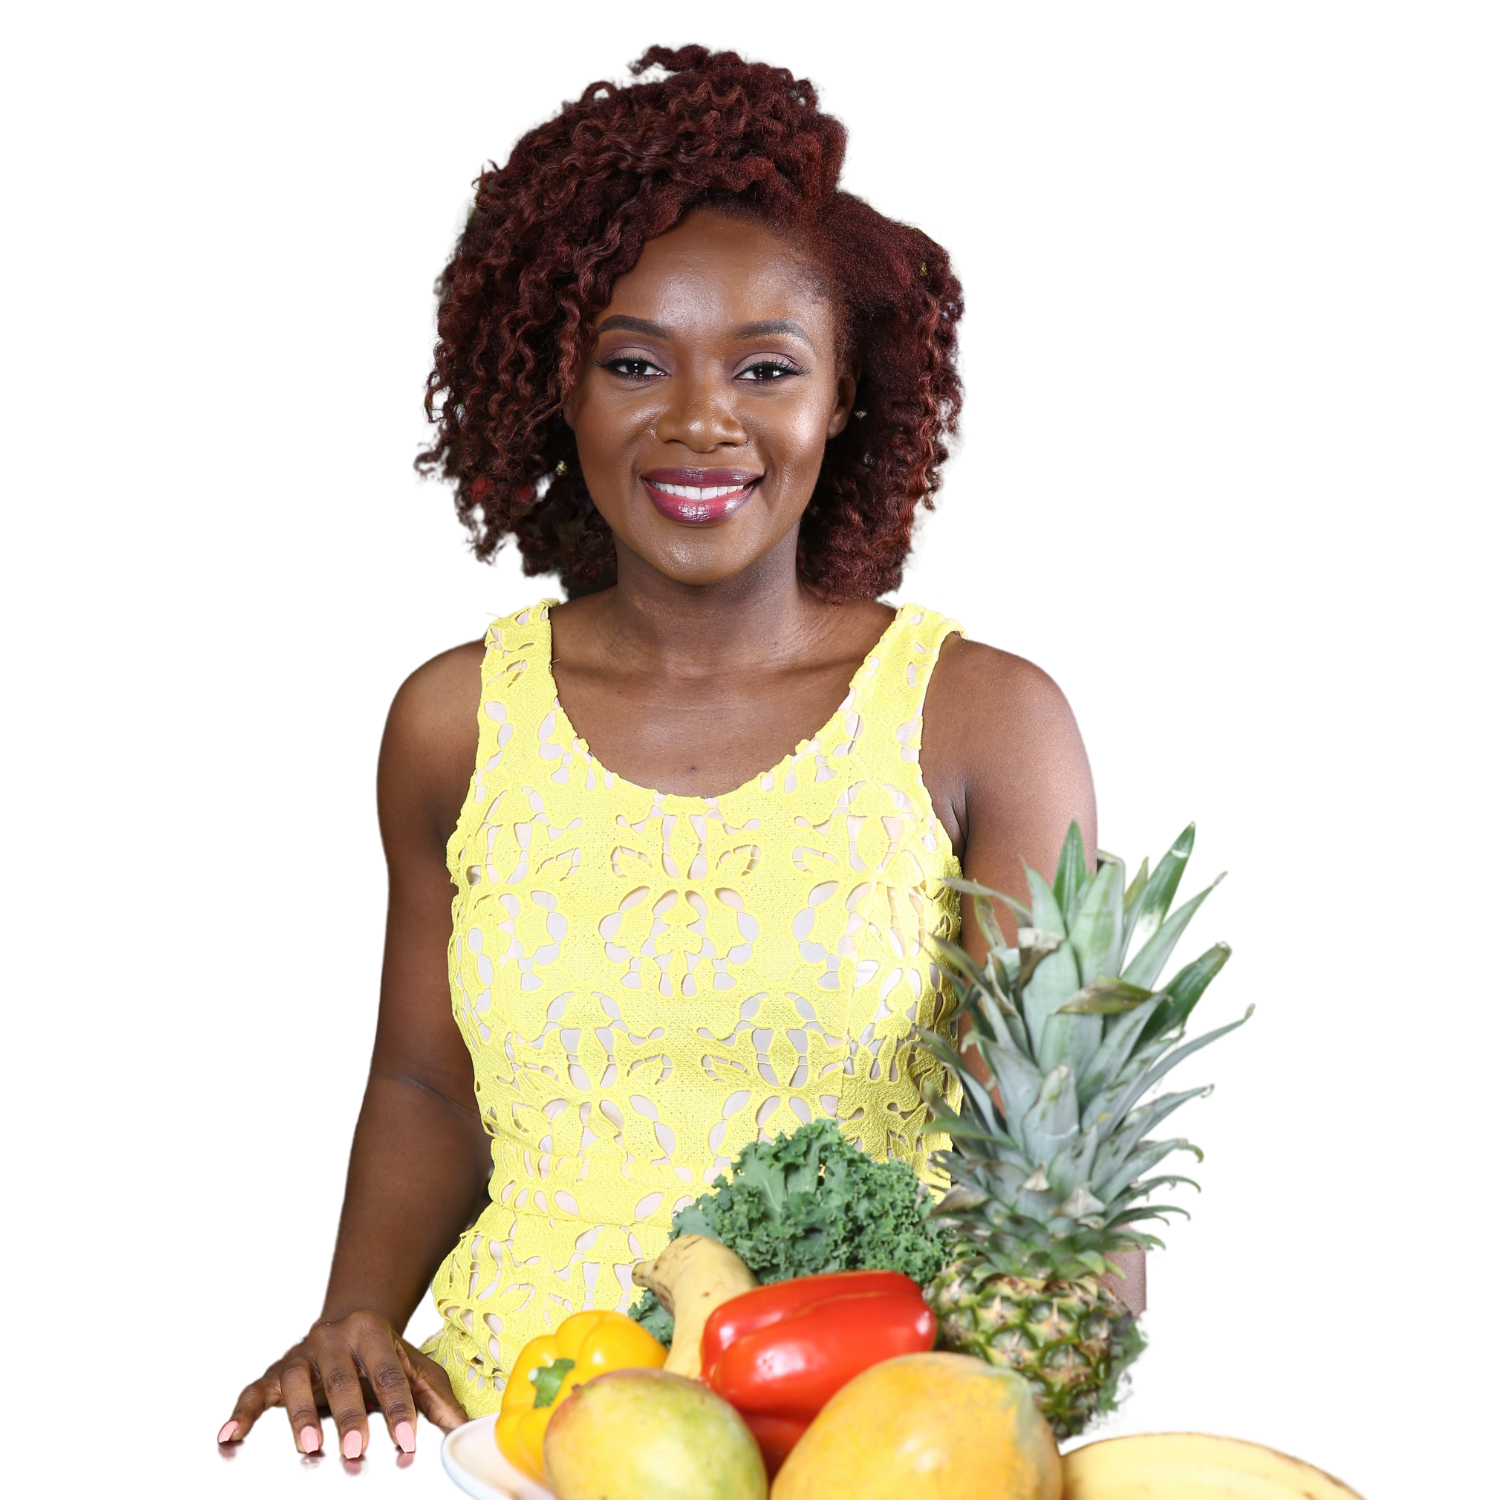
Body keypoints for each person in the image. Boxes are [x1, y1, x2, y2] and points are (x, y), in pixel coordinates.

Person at [217, 44, 1097, 1462]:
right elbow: (429, 1084)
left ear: (847, 400)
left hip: (854, 1428)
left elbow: (1051, 1163)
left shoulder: (982, 717)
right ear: (555, 389)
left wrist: (1009, 1416)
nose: (701, 420)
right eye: (635, 362)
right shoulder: (455, 720)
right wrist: (356, 1316)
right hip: (509, 1421)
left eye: (767, 368)